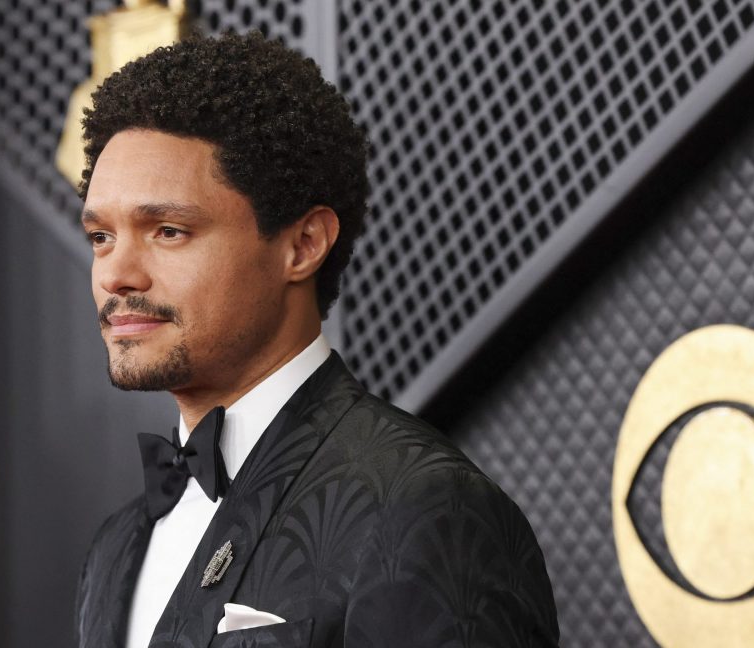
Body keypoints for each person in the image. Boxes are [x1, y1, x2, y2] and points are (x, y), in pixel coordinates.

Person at [75, 32, 559, 648]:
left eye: (168, 231)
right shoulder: (116, 546)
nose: (116, 274)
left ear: (303, 245)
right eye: (101, 237)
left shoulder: (426, 508)